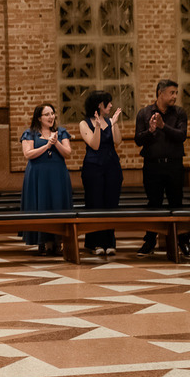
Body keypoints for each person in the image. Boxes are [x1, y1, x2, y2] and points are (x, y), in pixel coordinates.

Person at [134, 80, 190, 258]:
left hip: (174, 165)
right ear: (160, 93)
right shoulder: (144, 113)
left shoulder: (179, 113)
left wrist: (162, 127)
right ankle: (150, 241)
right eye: (171, 92)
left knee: (177, 203)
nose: (175, 96)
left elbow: (181, 136)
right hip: (152, 165)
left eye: (176, 93)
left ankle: (183, 242)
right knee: (154, 204)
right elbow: (138, 140)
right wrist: (151, 131)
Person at [19, 103, 72, 256]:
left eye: (52, 113)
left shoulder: (61, 132)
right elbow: (28, 154)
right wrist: (47, 146)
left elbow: (67, 153)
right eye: (47, 114)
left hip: (57, 174)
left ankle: (58, 241)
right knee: (41, 205)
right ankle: (42, 242)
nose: (51, 117)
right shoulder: (30, 133)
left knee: (57, 205)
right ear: (39, 118)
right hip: (38, 175)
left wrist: (56, 143)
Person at [79, 90, 123, 256]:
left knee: (111, 204)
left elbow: (117, 141)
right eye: (108, 102)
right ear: (99, 105)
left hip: (112, 166)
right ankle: (94, 242)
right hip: (93, 168)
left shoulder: (110, 121)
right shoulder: (84, 123)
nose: (111, 105)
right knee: (95, 203)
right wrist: (97, 126)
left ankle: (109, 242)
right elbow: (95, 145)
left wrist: (114, 124)